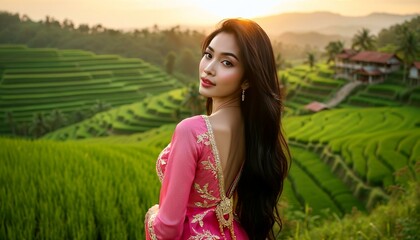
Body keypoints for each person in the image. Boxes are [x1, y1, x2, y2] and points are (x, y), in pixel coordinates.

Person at [145, 18, 290, 240]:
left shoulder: (191, 130)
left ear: (247, 80)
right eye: (209, 55)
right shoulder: (253, 130)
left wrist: (152, 215)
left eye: (227, 63)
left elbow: (167, 229)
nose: (209, 69)